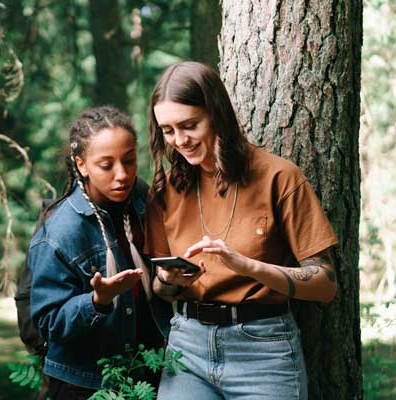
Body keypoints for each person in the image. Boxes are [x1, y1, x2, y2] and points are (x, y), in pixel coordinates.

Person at [144, 61, 339, 400]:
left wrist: (248, 267)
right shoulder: (166, 190)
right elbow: (160, 290)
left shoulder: (279, 177)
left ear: (217, 114)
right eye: (168, 130)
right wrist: (169, 281)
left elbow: (325, 284)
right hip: (187, 349)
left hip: (263, 352)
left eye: (190, 125)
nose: (180, 140)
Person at [29, 106, 172, 400]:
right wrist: (97, 301)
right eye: (106, 165)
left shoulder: (143, 203)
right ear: (81, 164)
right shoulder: (60, 232)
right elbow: (47, 323)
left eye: (130, 160)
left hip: (150, 373)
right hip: (84, 384)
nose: (122, 174)